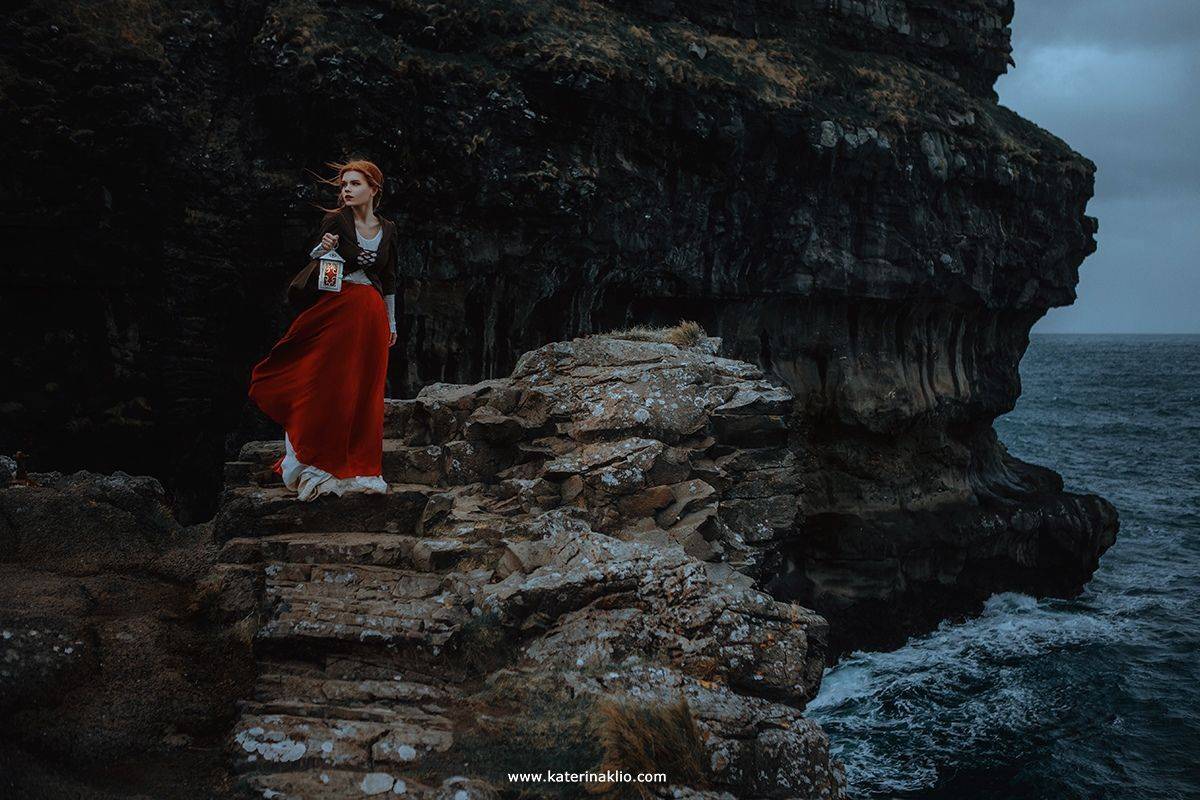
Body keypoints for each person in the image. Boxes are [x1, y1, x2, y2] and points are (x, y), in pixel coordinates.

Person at [246, 159, 399, 501]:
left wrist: (392, 323)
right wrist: (324, 252)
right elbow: (328, 282)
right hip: (340, 308)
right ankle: (314, 458)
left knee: (364, 389)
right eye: (344, 184)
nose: (346, 189)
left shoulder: (388, 229)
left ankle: (359, 463)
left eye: (355, 183)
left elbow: (389, 281)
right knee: (329, 382)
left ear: (374, 189)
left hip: (372, 314)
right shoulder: (335, 221)